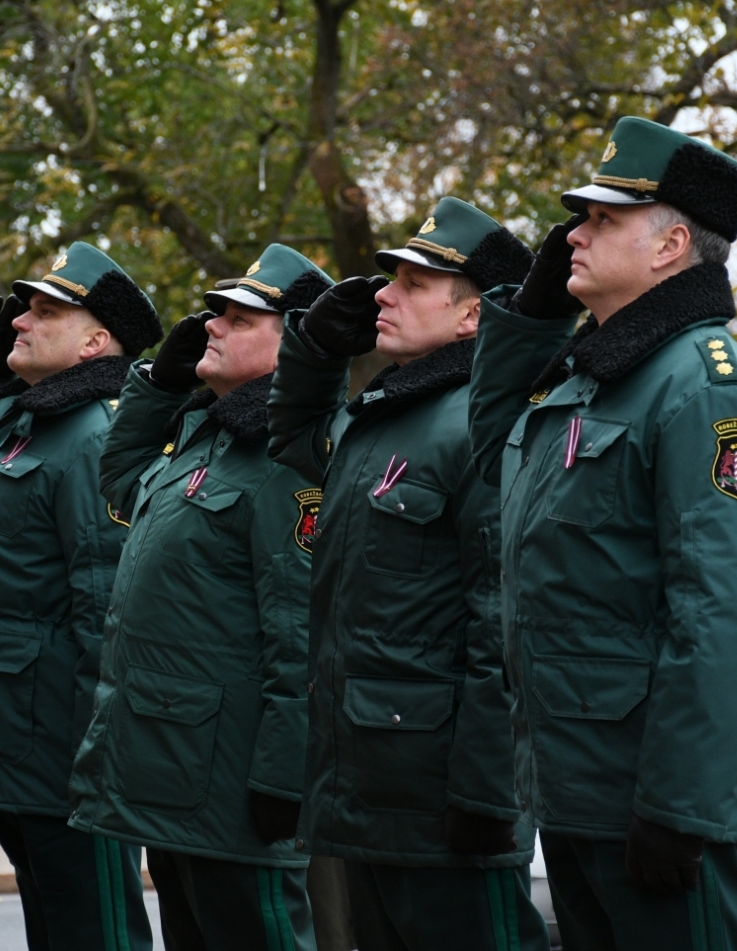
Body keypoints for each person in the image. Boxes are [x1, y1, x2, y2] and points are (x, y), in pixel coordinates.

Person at [467, 116, 737, 949]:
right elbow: (489, 449)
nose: (571, 236)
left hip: (651, 802)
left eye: (602, 221)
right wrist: (531, 321)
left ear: (670, 245)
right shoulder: (594, 379)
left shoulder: (706, 387)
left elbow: (729, 610)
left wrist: (679, 806)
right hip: (579, 786)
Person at [268, 197, 548, 951]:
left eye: (414, 283)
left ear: (472, 318)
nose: (383, 294)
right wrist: (316, 352)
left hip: (443, 801)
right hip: (371, 783)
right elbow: (292, 439)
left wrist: (488, 794)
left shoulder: (481, 425)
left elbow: (499, 618)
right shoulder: (383, 413)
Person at [70, 245, 332, 950]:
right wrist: (156, 384)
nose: (212, 323)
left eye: (241, 317)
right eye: (216, 309)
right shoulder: (202, 437)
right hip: (173, 772)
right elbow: (119, 476)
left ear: (296, 342)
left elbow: (298, 635)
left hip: (233, 787)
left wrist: (283, 779)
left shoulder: (287, 459)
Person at [0, 241, 161, 951]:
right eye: (25, 306)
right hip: (25, 750)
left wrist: (100, 760)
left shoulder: (92, 435)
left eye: (45, 311)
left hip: (65, 756)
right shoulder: (25, 422)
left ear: (95, 341)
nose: (19, 319)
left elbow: (109, 609)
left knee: (99, 934)